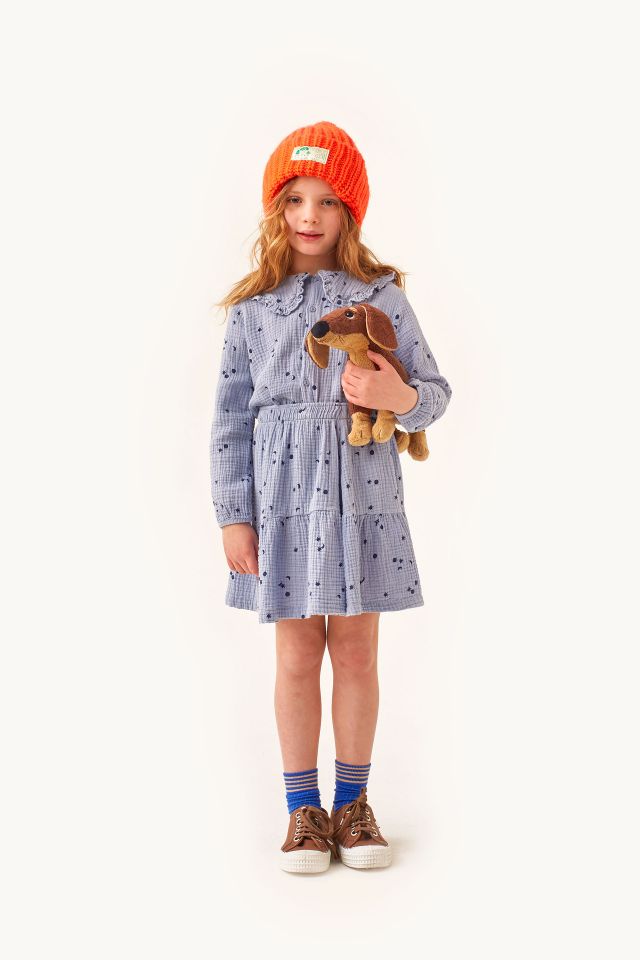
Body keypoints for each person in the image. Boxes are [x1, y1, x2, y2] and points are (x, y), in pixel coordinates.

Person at [209, 121, 453, 873]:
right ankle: (302, 811)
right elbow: (229, 419)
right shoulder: (252, 309)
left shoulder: (381, 298)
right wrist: (234, 515)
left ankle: (353, 804)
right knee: (294, 654)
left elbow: (434, 395)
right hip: (282, 505)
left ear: (351, 212)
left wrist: (395, 395)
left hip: (361, 499)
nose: (309, 216)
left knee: (355, 649)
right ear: (275, 210)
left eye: (327, 202)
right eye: (294, 200)